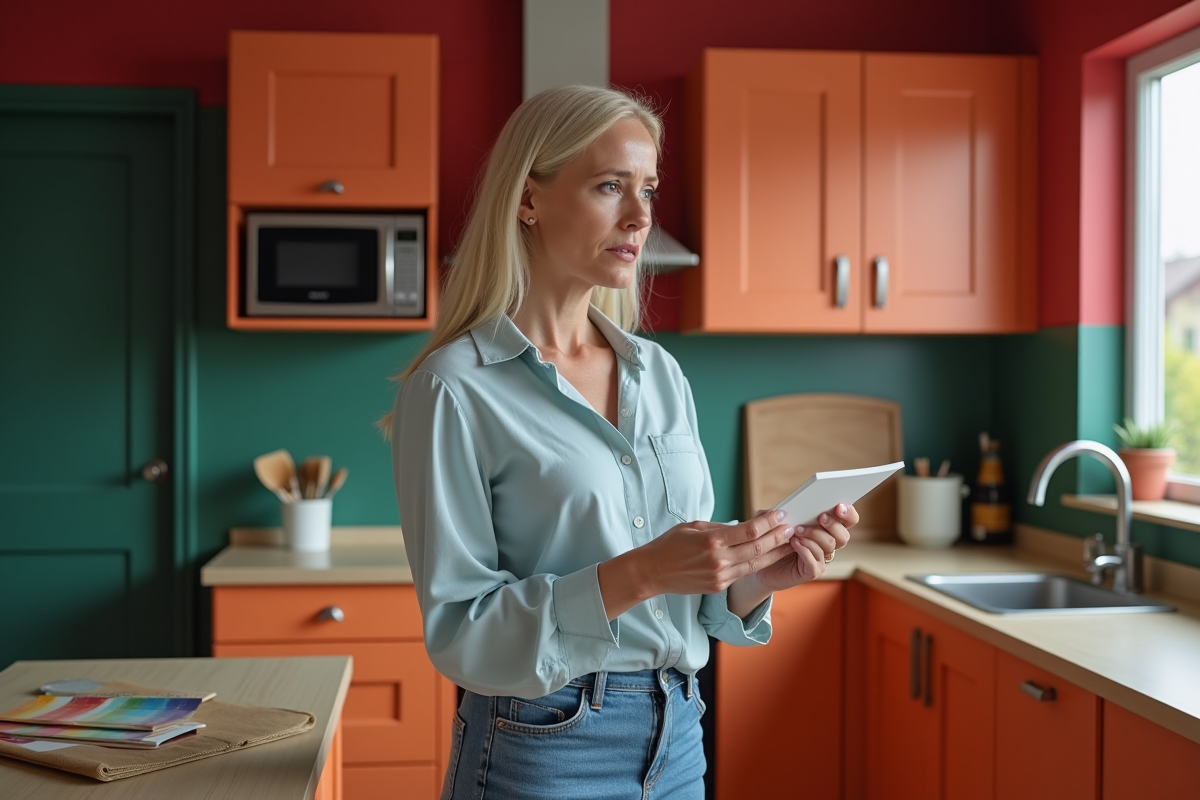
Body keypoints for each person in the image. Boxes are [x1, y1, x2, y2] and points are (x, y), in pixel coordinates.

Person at [387, 84, 859, 800]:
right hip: (540, 747)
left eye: (648, 189)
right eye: (611, 186)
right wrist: (642, 572)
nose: (641, 217)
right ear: (529, 200)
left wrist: (755, 578)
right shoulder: (456, 388)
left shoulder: (660, 374)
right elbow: (463, 635)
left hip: (679, 737)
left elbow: (687, 599)